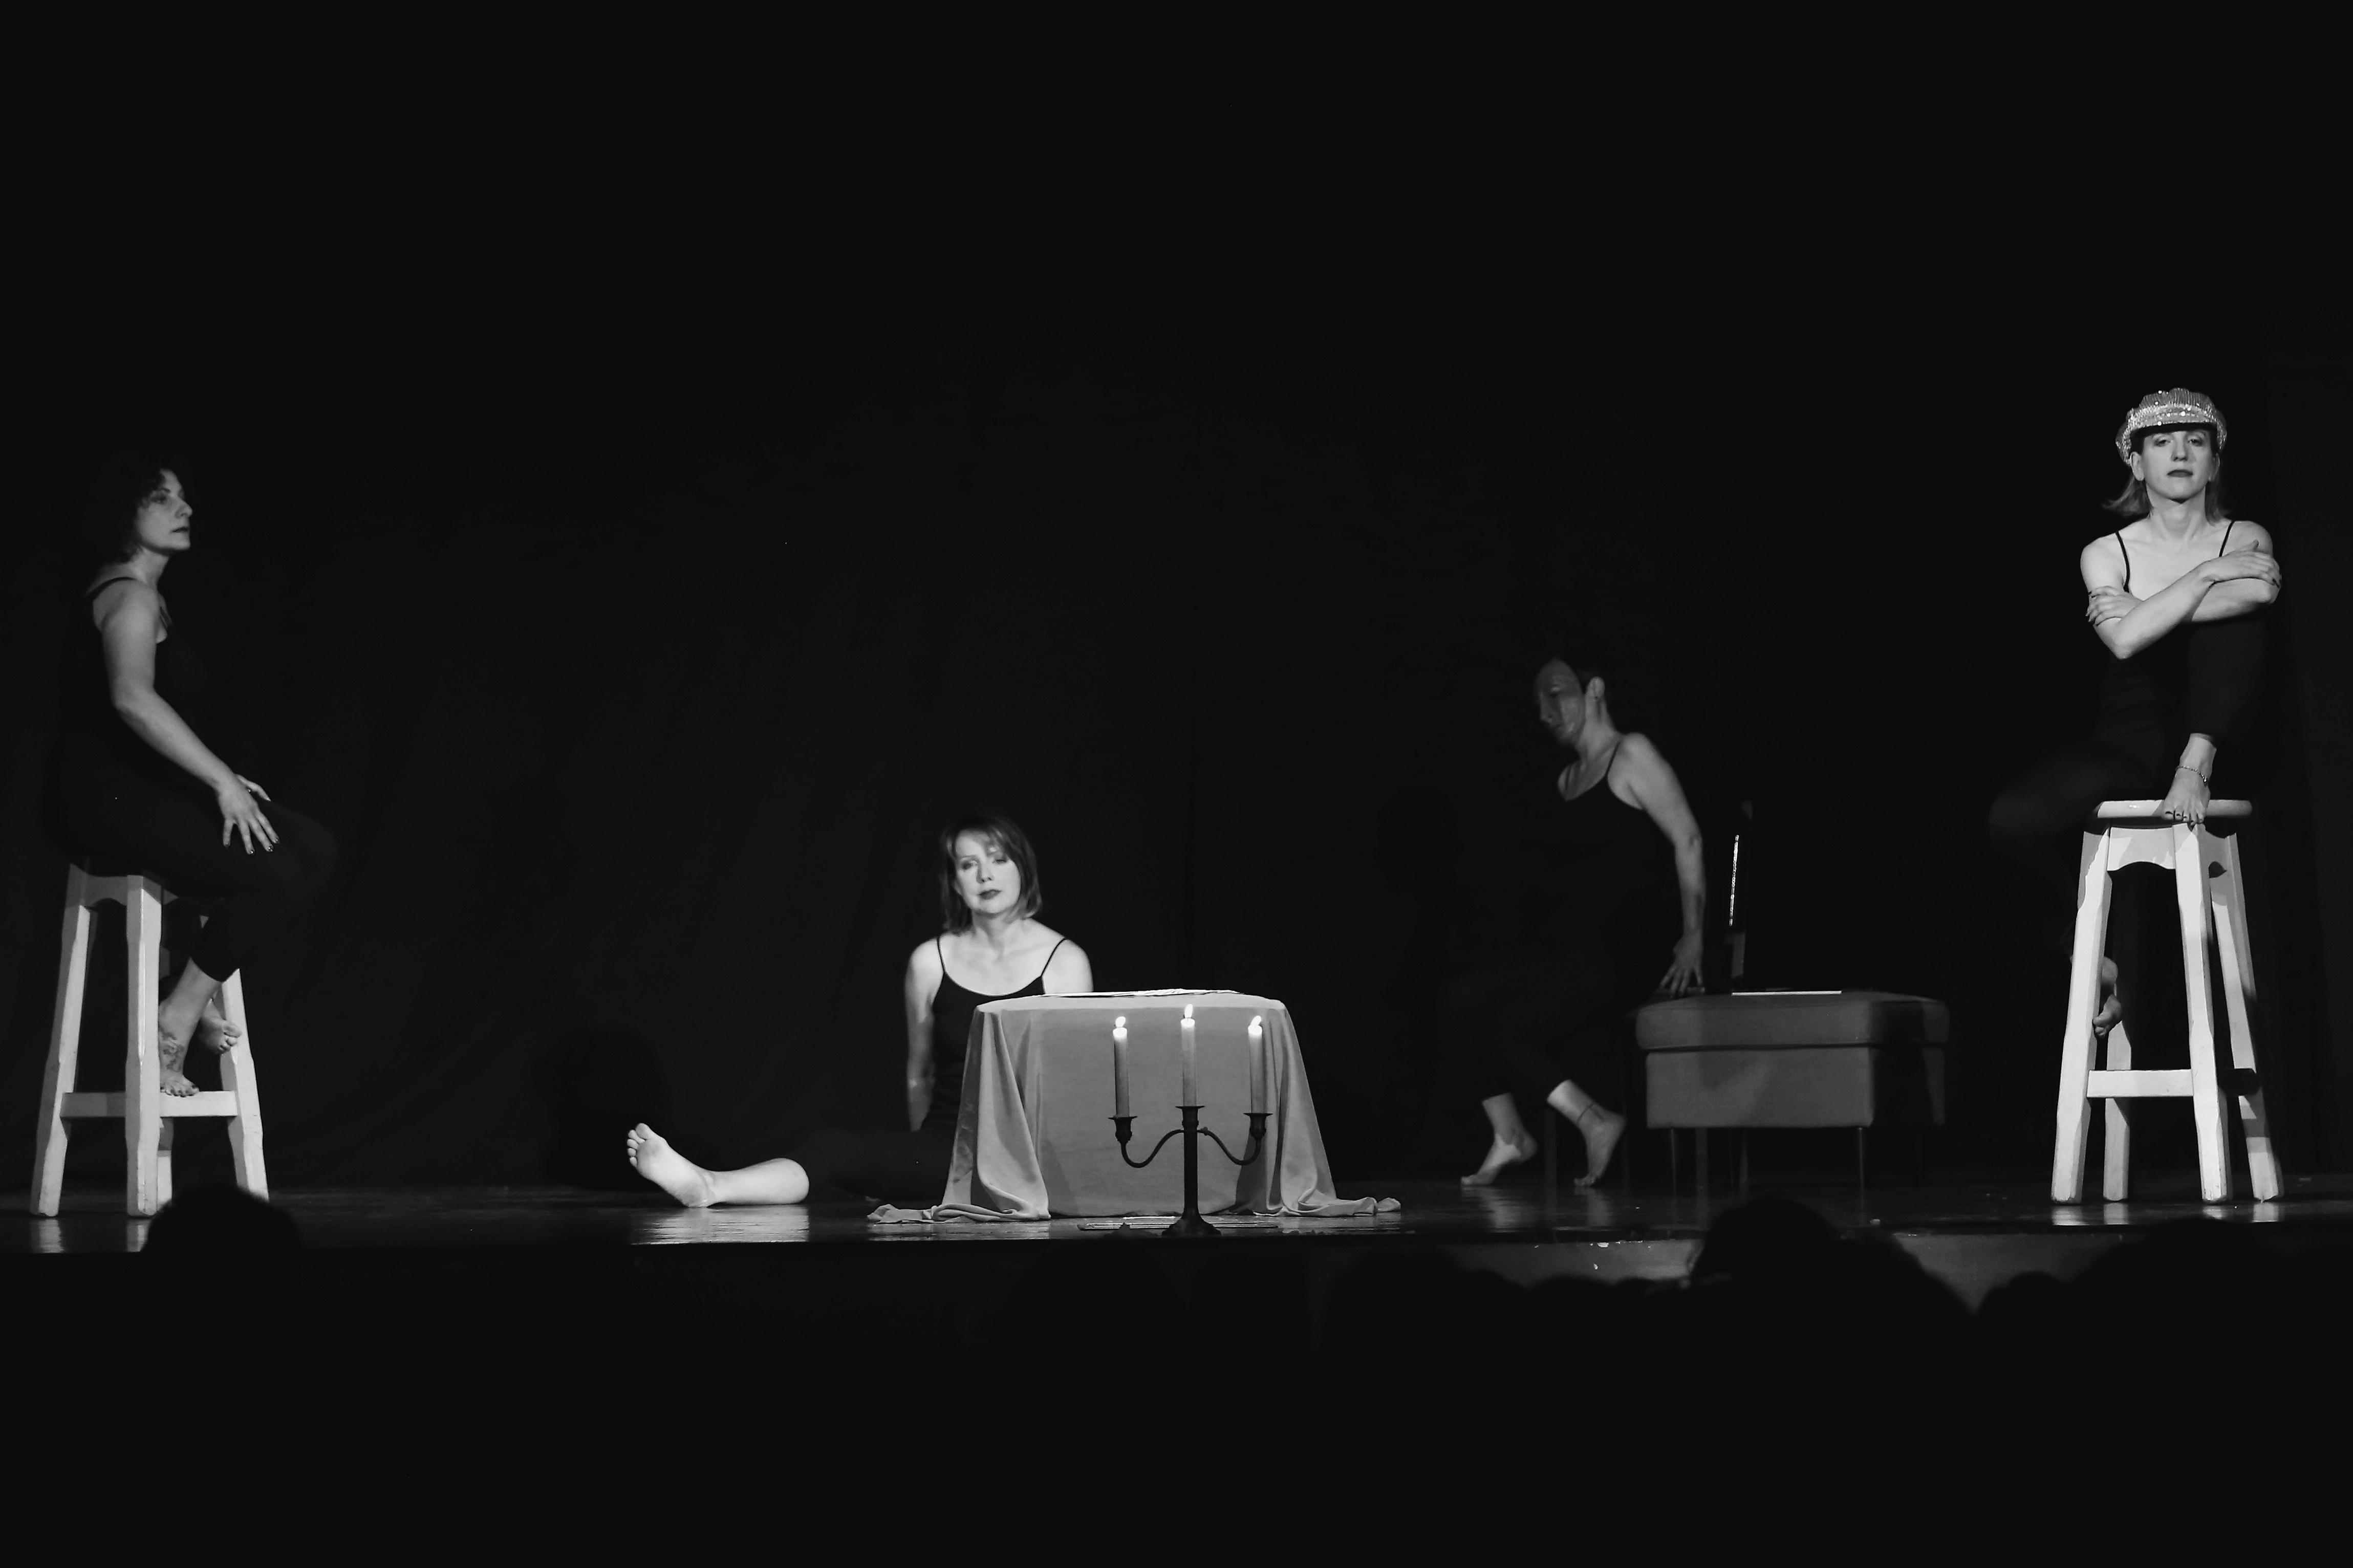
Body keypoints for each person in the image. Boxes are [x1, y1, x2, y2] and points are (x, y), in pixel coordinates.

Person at [44, 456, 337, 1096]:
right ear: (124, 513)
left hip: (136, 786)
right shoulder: (129, 594)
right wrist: (220, 781)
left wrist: (218, 775)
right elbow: (131, 698)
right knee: (275, 869)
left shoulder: (146, 595)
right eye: (162, 498)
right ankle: (177, 1014)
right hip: (100, 797)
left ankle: (183, 993)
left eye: (182, 496)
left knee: (310, 848)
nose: (185, 508)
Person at [1988, 389, 2277, 1034]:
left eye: (2196, 441)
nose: (2180, 453)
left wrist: (2143, 612)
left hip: (2223, 741)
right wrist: (2206, 577)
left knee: (2231, 630)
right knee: (2013, 820)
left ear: (2214, 461)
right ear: (2135, 462)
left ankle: (2195, 761)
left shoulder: (2244, 535)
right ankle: (2085, 957)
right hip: (2132, 739)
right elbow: (2121, 643)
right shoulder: (2106, 551)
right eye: (2161, 442)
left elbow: (2255, 595)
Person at [628, 811, 1093, 1206]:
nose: (985, 876)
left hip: (1028, 1152)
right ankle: (709, 1186)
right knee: (834, 1147)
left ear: (1022, 867)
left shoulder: (1064, 962)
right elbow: (919, 1075)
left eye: (998, 859)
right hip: (950, 1146)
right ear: (954, 882)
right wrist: (917, 1162)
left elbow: (1074, 1086)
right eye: (968, 865)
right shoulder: (930, 960)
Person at [1460, 650, 1706, 1188]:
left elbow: (1687, 838)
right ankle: (1509, 1135)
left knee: (1510, 1028)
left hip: (1624, 950)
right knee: (1463, 1001)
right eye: (1538, 703)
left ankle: (1596, 1121)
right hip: (1570, 951)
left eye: (1557, 694)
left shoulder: (1631, 753)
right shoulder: (1567, 780)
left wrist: (1693, 934)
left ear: (1594, 690)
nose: (1546, 712)